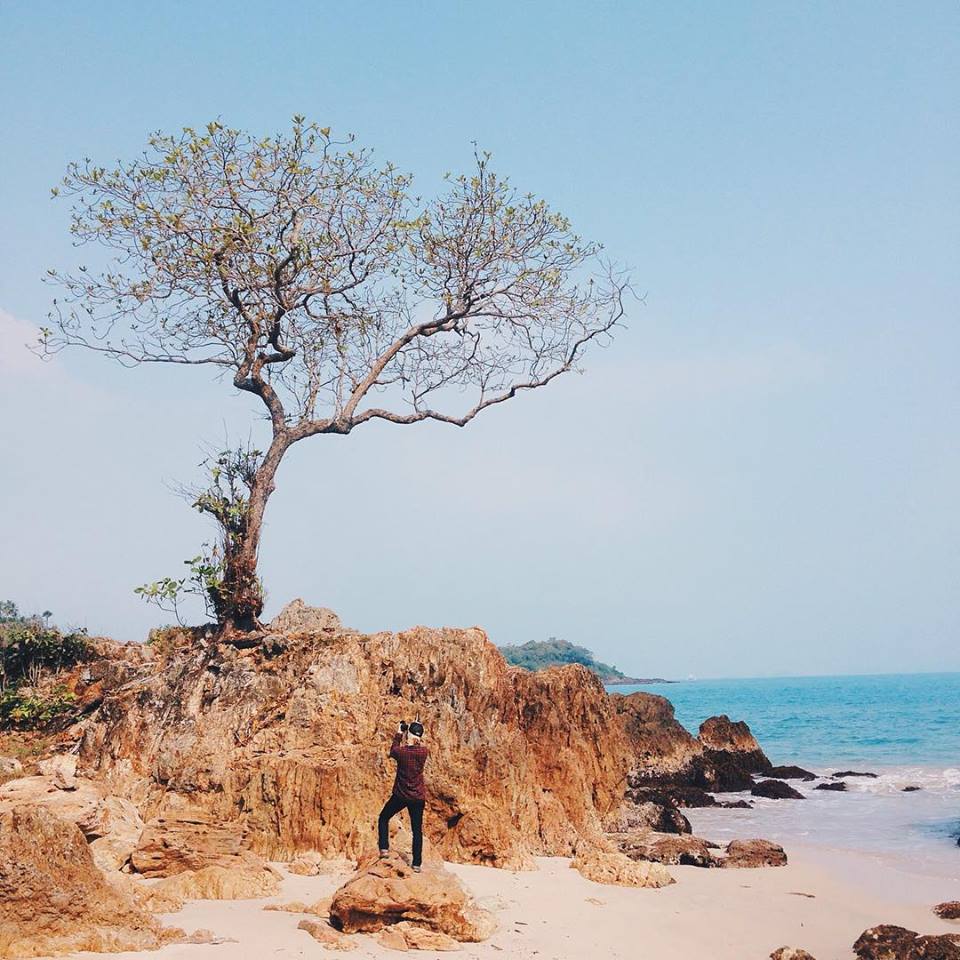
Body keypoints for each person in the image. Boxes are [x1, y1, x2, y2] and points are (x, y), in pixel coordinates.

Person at [378, 719, 428, 871]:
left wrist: (399, 733)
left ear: (409, 735)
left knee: (384, 817)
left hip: (401, 795)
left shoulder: (401, 752)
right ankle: (417, 864)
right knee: (417, 831)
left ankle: (384, 849)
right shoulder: (423, 752)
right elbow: (415, 746)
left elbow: (393, 750)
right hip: (417, 797)